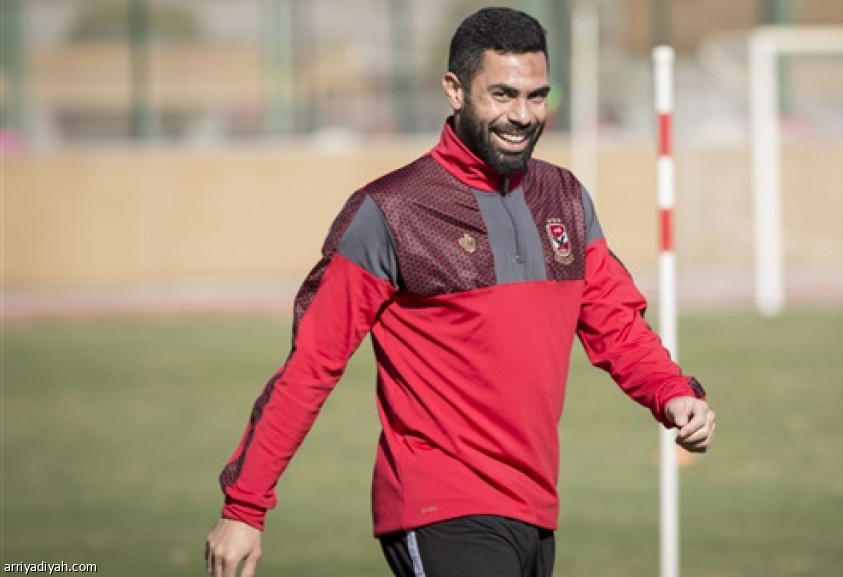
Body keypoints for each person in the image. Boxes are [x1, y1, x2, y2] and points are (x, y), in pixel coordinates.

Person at [205, 7, 716, 577]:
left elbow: (616, 325)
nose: (522, 115)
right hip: (439, 508)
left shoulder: (565, 199)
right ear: (454, 90)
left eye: (537, 96)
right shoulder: (391, 211)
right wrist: (244, 507)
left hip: (534, 508)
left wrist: (671, 392)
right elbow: (310, 366)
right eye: (502, 94)